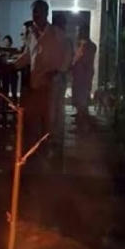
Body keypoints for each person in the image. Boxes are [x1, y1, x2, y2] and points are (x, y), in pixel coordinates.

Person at [15, 0, 68, 165]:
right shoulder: (31, 33)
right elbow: (27, 56)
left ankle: (55, 154)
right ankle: (39, 153)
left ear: (46, 13)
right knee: (36, 119)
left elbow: (68, 54)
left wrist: (58, 71)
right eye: (34, 12)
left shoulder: (57, 33)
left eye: (38, 11)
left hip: (53, 84)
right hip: (36, 83)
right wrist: (12, 65)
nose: (36, 15)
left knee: (52, 119)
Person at [51, 13, 73, 159]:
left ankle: (53, 137)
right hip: (60, 76)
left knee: (53, 108)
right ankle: (57, 138)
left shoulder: (53, 38)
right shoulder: (66, 39)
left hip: (54, 77)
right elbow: (68, 60)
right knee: (58, 109)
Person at [71, 25, 97, 131]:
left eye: (79, 31)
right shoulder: (78, 45)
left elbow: (84, 60)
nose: (77, 34)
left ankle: (83, 123)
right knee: (78, 96)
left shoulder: (90, 46)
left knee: (83, 97)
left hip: (84, 76)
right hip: (78, 75)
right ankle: (79, 116)